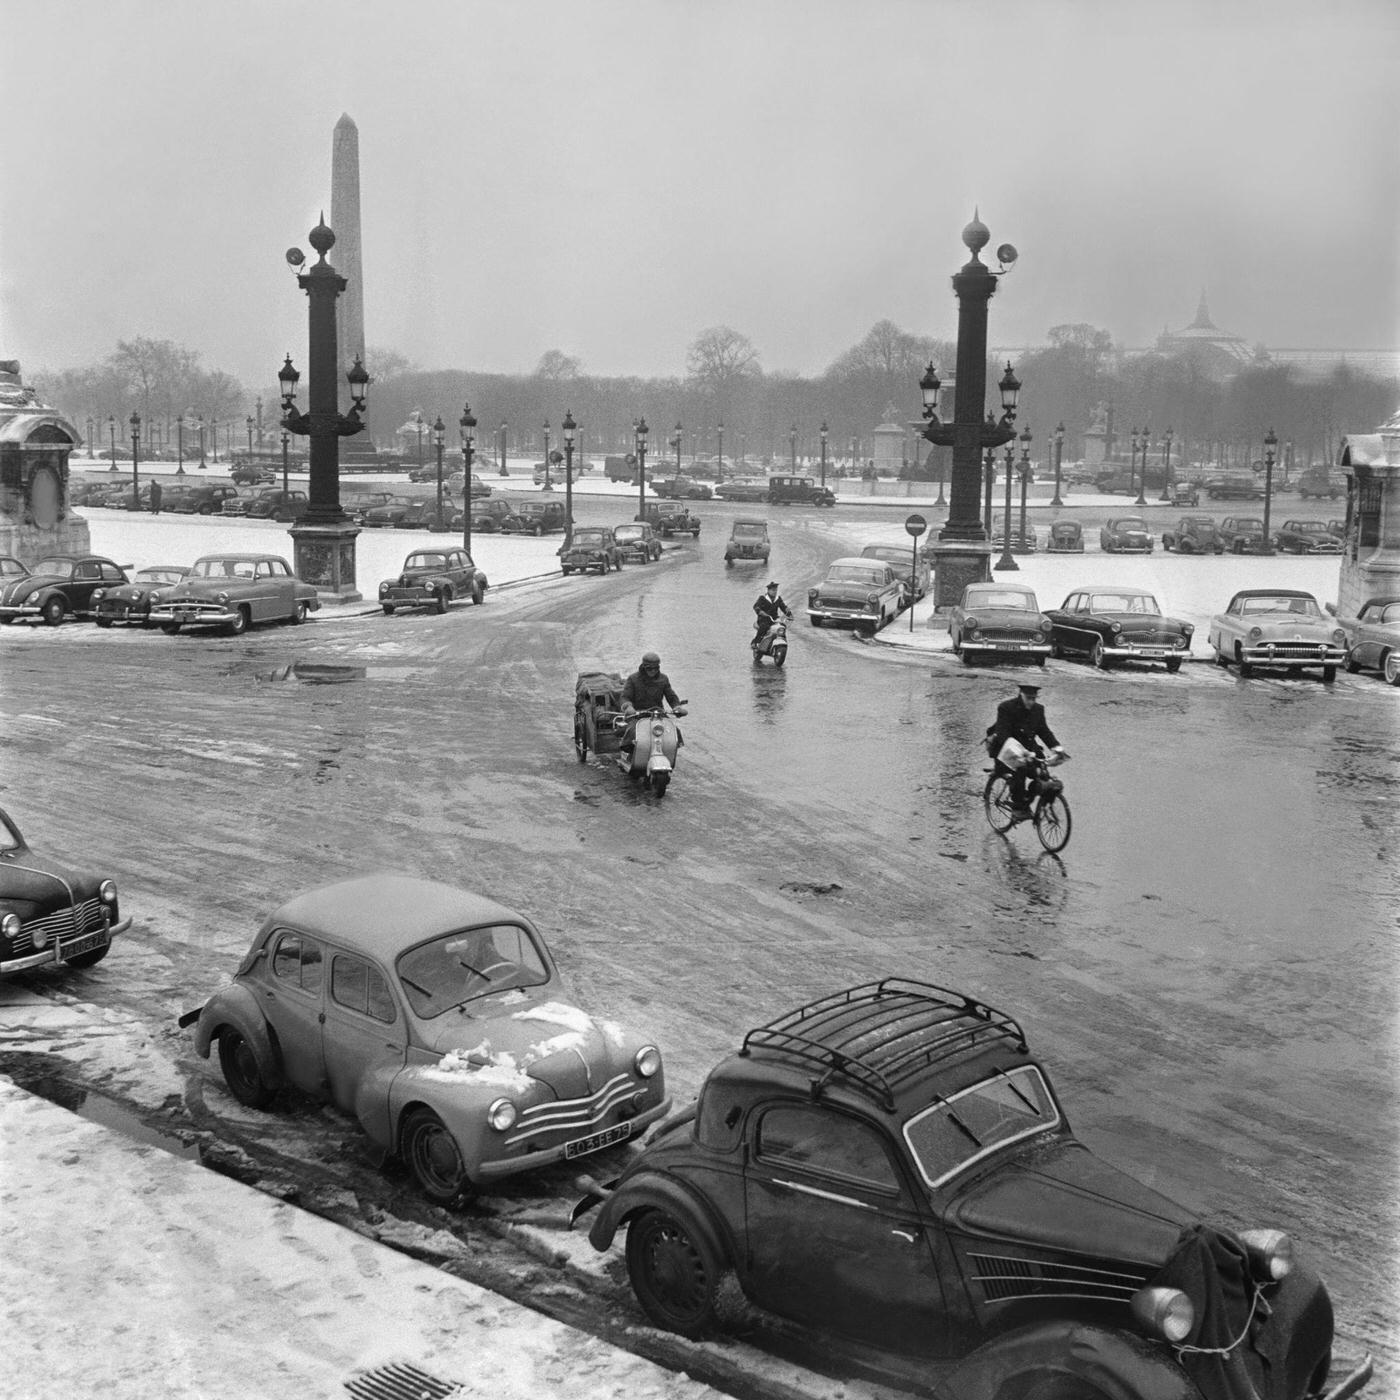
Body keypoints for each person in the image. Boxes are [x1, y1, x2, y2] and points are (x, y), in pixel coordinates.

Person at [986, 681, 1066, 819]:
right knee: (1020, 770)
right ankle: (1018, 808)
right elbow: (1003, 734)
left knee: (1044, 776)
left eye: (1033, 698)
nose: (1031, 702)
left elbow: (1044, 732)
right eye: (1028, 698)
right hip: (1005, 751)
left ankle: (1027, 800)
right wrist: (1019, 753)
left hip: (1029, 749)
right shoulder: (1006, 708)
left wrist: (1057, 748)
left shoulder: (1038, 710)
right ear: (1021, 695)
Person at [619, 652, 685, 752]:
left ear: (658, 667)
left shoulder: (663, 679)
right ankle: (630, 754)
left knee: (673, 731)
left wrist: (677, 707)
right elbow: (625, 697)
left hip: (657, 713)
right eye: (649, 668)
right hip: (637, 714)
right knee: (632, 731)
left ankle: (668, 752)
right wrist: (628, 707)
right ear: (643, 667)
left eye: (655, 668)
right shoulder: (633, 679)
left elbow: (671, 696)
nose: (653, 671)